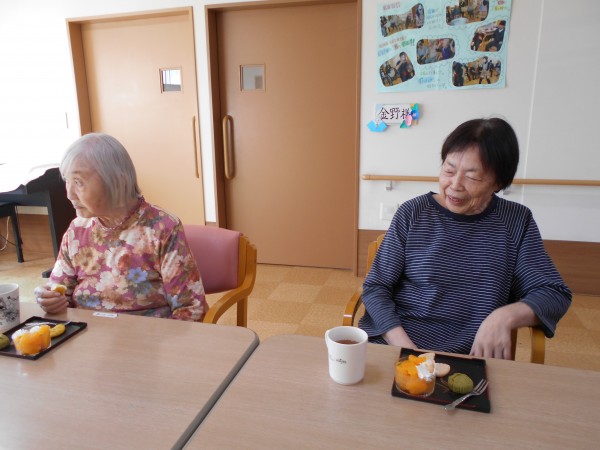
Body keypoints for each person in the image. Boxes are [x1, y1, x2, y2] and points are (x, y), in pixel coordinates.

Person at [359, 118, 572, 359]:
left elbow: (554, 293)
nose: (455, 185)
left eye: (472, 176)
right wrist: (405, 347)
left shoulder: (515, 221)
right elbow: (376, 287)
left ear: (498, 182)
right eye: (448, 170)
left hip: (470, 357)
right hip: (398, 344)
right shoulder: (413, 213)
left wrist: (503, 317)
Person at [34, 133, 208, 321]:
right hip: (87, 333)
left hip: (147, 336)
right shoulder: (77, 230)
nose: (69, 194)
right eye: (67, 181)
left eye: (78, 182)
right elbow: (59, 290)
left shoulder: (162, 229)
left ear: (118, 181)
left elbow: (191, 309)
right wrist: (49, 298)